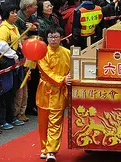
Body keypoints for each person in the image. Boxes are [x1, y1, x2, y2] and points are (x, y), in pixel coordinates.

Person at [37, 25, 72, 162]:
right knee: (43, 122)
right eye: (50, 37)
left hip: (59, 91)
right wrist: (62, 79)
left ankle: (51, 151)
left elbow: (73, 68)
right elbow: (46, 72)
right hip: (45, 90)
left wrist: (69, 77)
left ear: (61, 38)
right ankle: (44, 148)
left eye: (56, 36)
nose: (53, 39)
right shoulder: (42, 53)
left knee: (55, 122)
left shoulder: (67, 53)